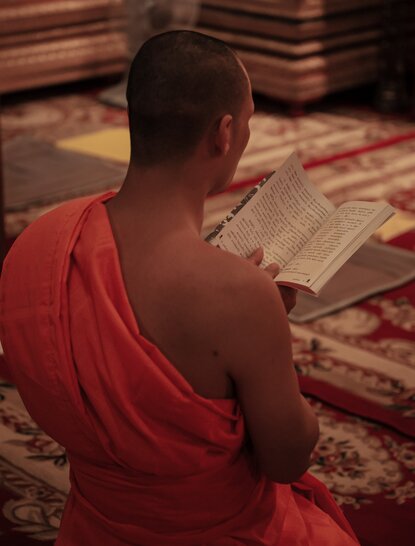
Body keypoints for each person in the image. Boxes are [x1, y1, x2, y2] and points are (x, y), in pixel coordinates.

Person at [0, 31, 360, 545]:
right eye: (250, 122)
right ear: (224, 133)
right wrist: (268, 327)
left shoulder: (39, 245)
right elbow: (287, 459)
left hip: (94, 528)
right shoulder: (241, 296)